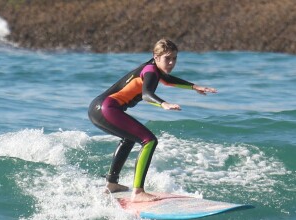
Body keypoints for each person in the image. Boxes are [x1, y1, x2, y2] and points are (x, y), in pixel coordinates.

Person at [88, 38, 216, 202]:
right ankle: (138, 192)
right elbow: (146, 94)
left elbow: (168, 80)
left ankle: (112, 184)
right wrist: (163, 104)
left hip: (98, 108)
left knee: (129, 139)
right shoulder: (150, 71)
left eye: (174, 58)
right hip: (107, 108)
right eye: (167, 59)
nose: (171, 63)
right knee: (149, 141)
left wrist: (194, 86)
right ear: (156, 58)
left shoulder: (152, 69)